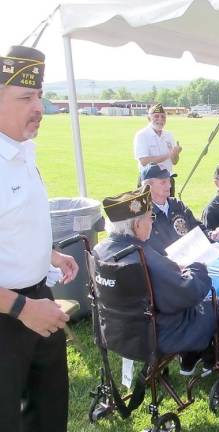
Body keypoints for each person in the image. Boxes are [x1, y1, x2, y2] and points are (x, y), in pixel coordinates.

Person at [0, 45, 79, 432]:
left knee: (49, 410)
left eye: (39, 96)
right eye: (26, 97)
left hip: (38, 298)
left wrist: (48, 254)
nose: (39, 107)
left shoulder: (23, 149)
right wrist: (22, 309)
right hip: (7, 313)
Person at [95, 187, 219, 374]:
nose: (152, 224)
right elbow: (186, 292)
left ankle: (189, 357)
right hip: (156, 334)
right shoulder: (143, 256)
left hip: (115, 332)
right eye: (150, 218)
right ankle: (206, 357)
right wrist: (199, 268)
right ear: (136, 225)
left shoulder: (99, 251)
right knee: (215, 304)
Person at [141, 164, 219, 254]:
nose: (169, 186)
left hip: (192, 258)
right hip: (167, 265)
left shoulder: (177, 204)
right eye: (163, 182)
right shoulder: (144, 215)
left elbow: (197, 229)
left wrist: (212, 235)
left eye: (169, 181)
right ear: (148, 187)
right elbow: (152, 253)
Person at [133, 103, 182, 196]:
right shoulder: (142, 135)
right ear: (149, 118)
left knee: (169, 209)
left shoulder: (169, 135)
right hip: (150, 182)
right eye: (156, 116)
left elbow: (174, 162)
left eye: (163, 117)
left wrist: (175, 153)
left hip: (168, 179)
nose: (160, 119)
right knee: (149, 210)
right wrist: (169, 154)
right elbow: (144, 161)